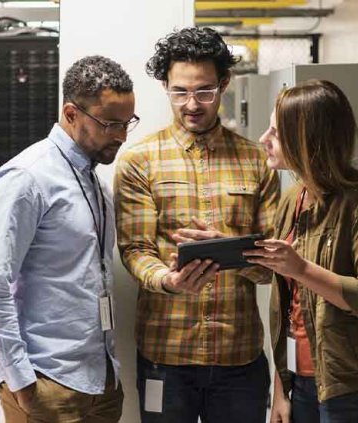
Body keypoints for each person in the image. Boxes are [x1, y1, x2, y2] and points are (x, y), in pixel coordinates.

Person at [114, 27, 279, 423]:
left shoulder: (257, 160)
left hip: (238, 356)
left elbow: (276, 259)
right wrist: (166, 280)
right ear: (165, 87)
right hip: (165, 354)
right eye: (179, 92)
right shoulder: (139, 160)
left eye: (204, 91)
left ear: (224, 84)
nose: (191, 104)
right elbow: (135, 250)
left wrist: (237, 252)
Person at [0, 55, 138, 423]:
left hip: (101, 381)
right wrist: (21, 382)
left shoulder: (95, 182)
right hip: (48, 383)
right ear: (72, 114)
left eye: (127, 123)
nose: (121, 136)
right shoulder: (26, 179)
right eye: (110, 123)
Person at [244, 79, 358, 423]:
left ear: (307, 139)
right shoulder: (293, 197)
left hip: (345, 387)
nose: (264, 139)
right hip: (300, 383)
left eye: (276, 132)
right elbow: (289, 307)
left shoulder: (352, 203)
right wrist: (281, 389)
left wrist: (302, 269)